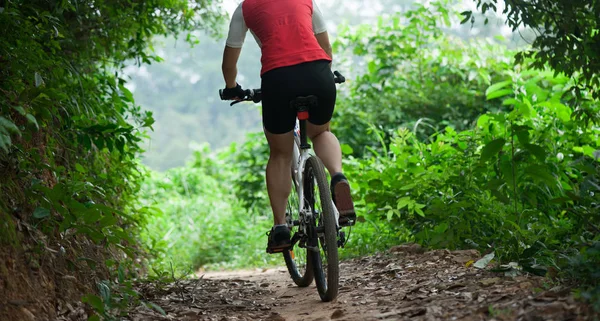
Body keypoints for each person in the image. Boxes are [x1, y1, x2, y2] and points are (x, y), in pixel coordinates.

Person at [220, 0, 355, 253]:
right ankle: (338, 177)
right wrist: (322, 74)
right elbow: (325, 46)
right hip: (317, 73)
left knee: (281, 153)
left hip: (278, 79)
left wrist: (232, 88)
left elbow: (229, 62)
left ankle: (281, 227)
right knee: (321, 132)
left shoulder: (245, 8)